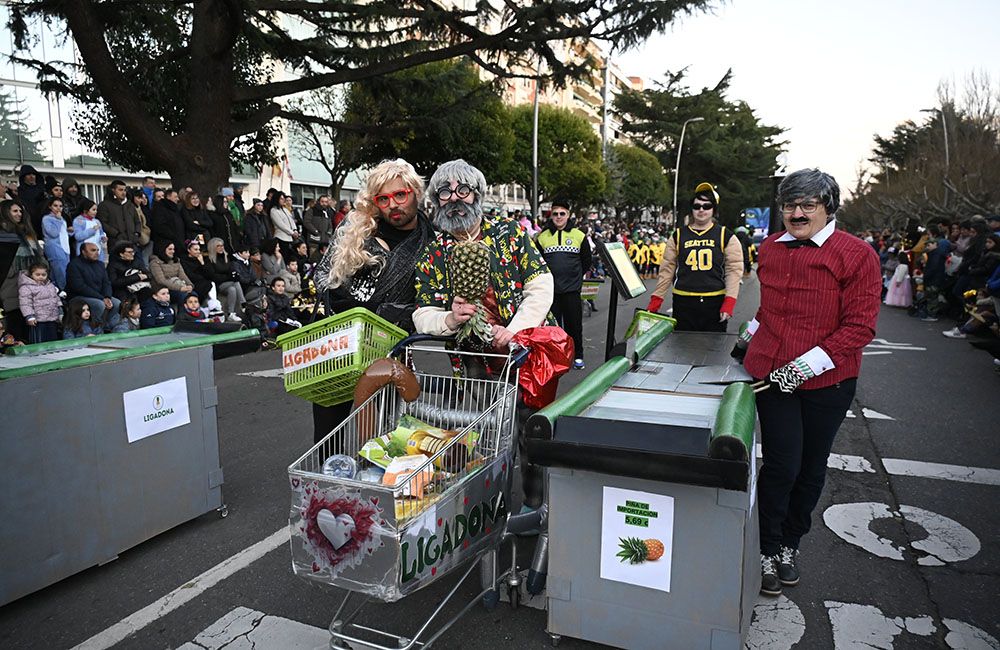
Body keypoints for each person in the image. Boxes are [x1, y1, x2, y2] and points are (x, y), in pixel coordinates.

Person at [733, 169, 880, 597]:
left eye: (807, 206)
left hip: (828, 382)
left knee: (811, 468)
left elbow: (859, 328)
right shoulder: (770, 248)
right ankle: (766, 546)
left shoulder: (857, 255)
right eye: (789, 205)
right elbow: (769, 311)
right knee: (782, 464)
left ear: (828, 208)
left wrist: (802, 368)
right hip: (771, 374)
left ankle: (789, 545)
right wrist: (745, 344)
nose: (796, 214)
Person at [412, 159, 553, 512]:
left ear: (477, 194)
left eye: (463, 190)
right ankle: (493, 508)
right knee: (489, 430)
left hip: (524, 352)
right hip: (473, 357)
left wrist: (515, 329)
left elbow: (540, 285)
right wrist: (448, 317)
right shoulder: (435, 252)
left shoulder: (510, 234)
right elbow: (422, 311)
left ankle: (535, 506)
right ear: (436, 199)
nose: (454, 198)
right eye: (445, 192)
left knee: (529, 429)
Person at [311, 158, 435, 444]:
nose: (393, 204)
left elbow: (432, 298)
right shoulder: (356, 230)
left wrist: (395, 313)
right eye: (384, 198)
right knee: (327, 438)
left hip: (388, 350)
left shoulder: (432, 242)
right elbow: (321, 276)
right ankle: (330, 484)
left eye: (400, 195)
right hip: (339, 345)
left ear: (415, 192)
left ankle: (375, 486)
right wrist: (342, 303)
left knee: (381, 437)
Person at [647, 183, 744, 331]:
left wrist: (729, 302)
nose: (701, 210)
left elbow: (734, 270)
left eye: (706, 206)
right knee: (682, 348)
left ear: (714, 210)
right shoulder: (678, 235)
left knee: (712, 349)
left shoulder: (726, 235)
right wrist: (656, 300)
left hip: (714, 302)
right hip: (683, 301)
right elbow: (667, 270)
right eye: (697, 206)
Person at [536, 198, 590, 369]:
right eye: (555, 214)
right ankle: (555, 358)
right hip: (550, 292)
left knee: (574, 326)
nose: (558, 217)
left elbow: (586, 261)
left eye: (562, 214)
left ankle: (578, 356)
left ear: (568, 215)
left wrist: (575, 278)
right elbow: (537, 262)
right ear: (551, 215)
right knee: (553, 328)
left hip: (572, 291)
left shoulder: (579, 236)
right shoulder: (542, 237)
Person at [0, 199, 46, 341]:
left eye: (20, 211)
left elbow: (40, 256)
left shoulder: (28, 234)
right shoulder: (2, 234)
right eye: (15, 211)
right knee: (15, 321)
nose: (19, 214)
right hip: (10, 283)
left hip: (32, 281)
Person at [66, 242, 120, 330]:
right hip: (78, 297)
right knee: (100, 305)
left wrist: (107, 297)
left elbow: (106, 283)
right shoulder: (74, 265)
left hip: (99, 296)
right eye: (93, 250)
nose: (97, 253)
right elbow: (79, 287)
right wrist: (102, 298)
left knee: (116, 303)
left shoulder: (100, 264)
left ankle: (105, 327)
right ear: (83, 252)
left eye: (98, 250)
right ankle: (94, 328)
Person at [18, 263, 62, 344]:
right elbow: (25, 303)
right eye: (37, 274)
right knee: (39, 341)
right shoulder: (26, 287)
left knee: (53, 340)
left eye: (43, 274)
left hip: (52, 318)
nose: (41, 277)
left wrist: (60, 311)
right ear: (31, 275)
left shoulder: (50, 285)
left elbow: (56, 298)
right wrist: (29, 316)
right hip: (37, 320)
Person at [205, 237, 245, 321]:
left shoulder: (226, 257)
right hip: (218, 285)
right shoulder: (209, 260)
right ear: (213, 247)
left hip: (228, 284)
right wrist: (229, 277)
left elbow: (231, 271)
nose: (221, 248)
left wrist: (233, 275)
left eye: (222, 245)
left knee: (232, 289)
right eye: (218, 246)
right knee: (235, 283)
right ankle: (243, 304)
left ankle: (231, 313)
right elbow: (213, 276)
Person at [99, 180, 141, 251]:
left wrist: (137, 233)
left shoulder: (130, 205)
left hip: (132, 242)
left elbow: (137, 221)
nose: (123, 192)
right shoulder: (104, 205)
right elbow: (102, 223)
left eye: (125, 190)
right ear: (113, 190)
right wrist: (116, 234)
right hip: (115, 243)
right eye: (120, 190)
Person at [41, 197, 71, 290]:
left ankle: (57, 291)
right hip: (54, 248)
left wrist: (70, 231)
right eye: (55, 205)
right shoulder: (47, 219)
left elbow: (63, 234)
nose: (58, 208)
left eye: (60, 206)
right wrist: (58, 221)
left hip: (64, 247)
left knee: (60, 272)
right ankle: (64, 291)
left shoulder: (61, 218)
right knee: (60, 272)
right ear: (50, 206)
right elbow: (53, 233)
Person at [179, 240, 216, 308]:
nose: (198, 251)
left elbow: (211, 274)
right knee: (207, 284)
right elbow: (189, 275)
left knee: (211, 283)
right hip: (192, 283)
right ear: (189, 250)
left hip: (203, 282)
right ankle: (212, 306)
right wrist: (203, 277)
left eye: (199, 249)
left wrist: (202, 263)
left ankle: (214, 305)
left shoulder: (202, 259)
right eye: (195, 249)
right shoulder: (184, 261)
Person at [150, 188, 186, 253]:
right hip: (168, 245)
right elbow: (160, 226)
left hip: (178, 242)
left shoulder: (174, 209)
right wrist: (174, 236)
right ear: (168, 197)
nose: (177, 199)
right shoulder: (160, 209)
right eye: (175, 197)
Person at [73, 199, 109, 263]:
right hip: (85, 253)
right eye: (93, 210)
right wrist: (92, 230)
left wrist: (103, 237)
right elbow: (78, 236)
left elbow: (101, 233)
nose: (96, 212)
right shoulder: (78, 221)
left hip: (98, 250)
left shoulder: (97, 221)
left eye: (96, 210)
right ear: (85, 211)